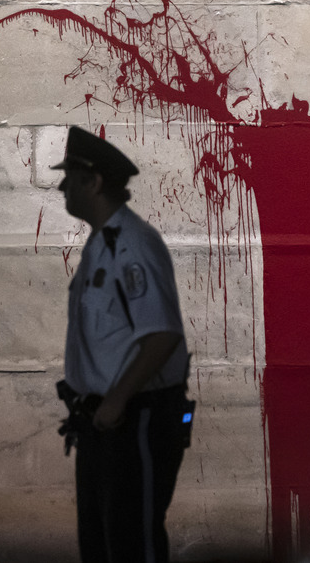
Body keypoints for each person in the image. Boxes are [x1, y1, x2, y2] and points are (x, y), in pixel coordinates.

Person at [54, 126, 191, 563]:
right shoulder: (102, 242)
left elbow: (163, 334)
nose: (62, 186)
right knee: (101, 545)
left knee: (133, 546)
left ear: (92, 182)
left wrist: (116, 400)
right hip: (103, 423)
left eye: (70, 176)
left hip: (135, 421)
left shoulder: (132, 244)